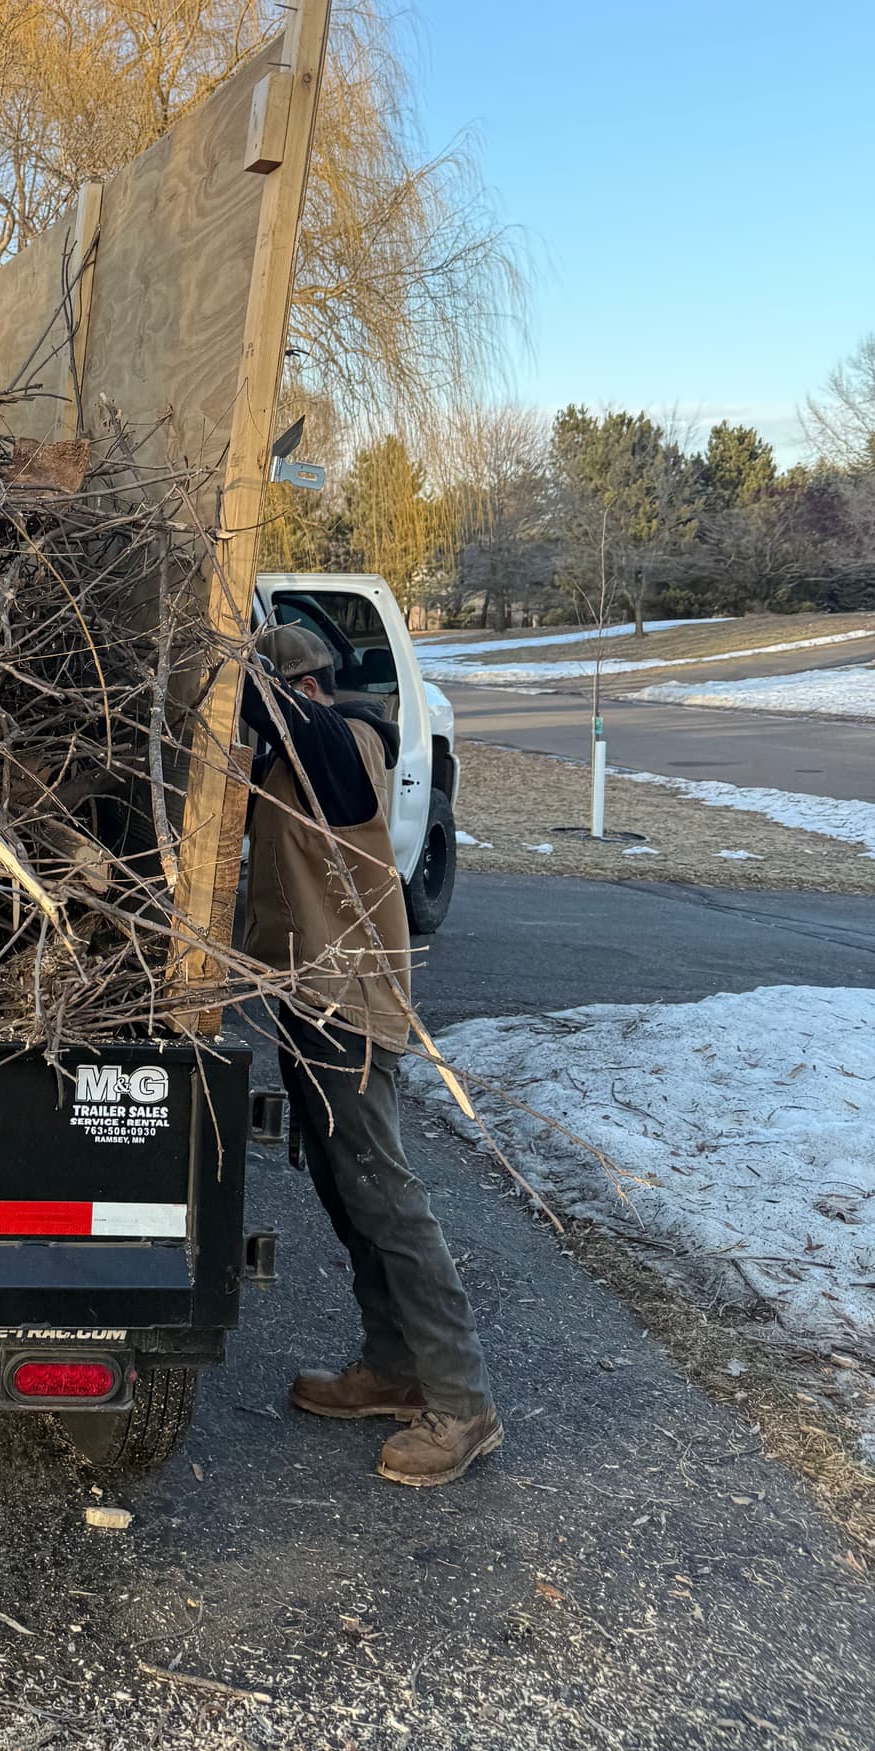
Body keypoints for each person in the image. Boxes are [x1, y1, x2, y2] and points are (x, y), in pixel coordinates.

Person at [241, 620, 501, 1488]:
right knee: (343, 1185)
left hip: (349, 1009)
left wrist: (213, 634)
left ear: (302, 688)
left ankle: (463, 1402)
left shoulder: (343, 743)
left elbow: (260, 703)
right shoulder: (291, 760)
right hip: (307, 1002)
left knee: (386, 1197)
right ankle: (392, 1367)